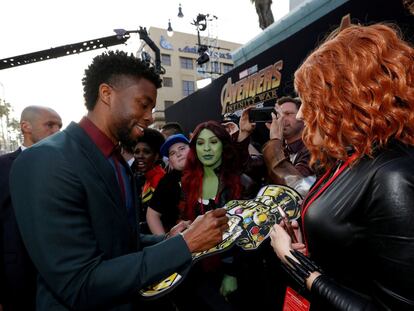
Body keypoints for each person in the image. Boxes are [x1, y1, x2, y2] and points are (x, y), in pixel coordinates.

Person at [9, 51, 229, 311]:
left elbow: (118, 244)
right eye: (143, 104)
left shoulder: (116, 162)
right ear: (106, 94)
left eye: (152, 108)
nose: (149, 117)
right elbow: (79, 283)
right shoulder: (46, 160)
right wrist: (184, 245)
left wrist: (168, 239)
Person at [270, 23, 414, 310]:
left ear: (346, 99)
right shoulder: (350, 158)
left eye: (309, 101)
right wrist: (311, 241)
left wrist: (297, 265)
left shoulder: (392, 175)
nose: (300, 113)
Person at [0, 105, 62, 311]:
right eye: (50, 125)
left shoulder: (68, 167)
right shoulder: (2, 167)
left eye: (59, 126)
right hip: (16, 278)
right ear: (25, 126)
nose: (57, 131)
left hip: (61, 276)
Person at [178, 121, 242, 311]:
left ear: (223, 144)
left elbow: (245, 233)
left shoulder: (240, 181)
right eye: (200, 143)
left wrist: (232, 273)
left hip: (230, 271)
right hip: (196, 271)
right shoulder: (187, 181)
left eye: (213, 142)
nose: (206, 148)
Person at [147, 133, 190, 234]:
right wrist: (165, 242)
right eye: (172, 153)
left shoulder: (206, 170)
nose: (178, 154)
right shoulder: (167, 182)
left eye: (182, 148)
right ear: (170, 161)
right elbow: (152, 214)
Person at [131, 128, 165, 233]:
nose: (140, 156)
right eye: (137, 152)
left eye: (146, 152)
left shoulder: (161, 180)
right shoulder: (146, 179)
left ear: (156, 156)